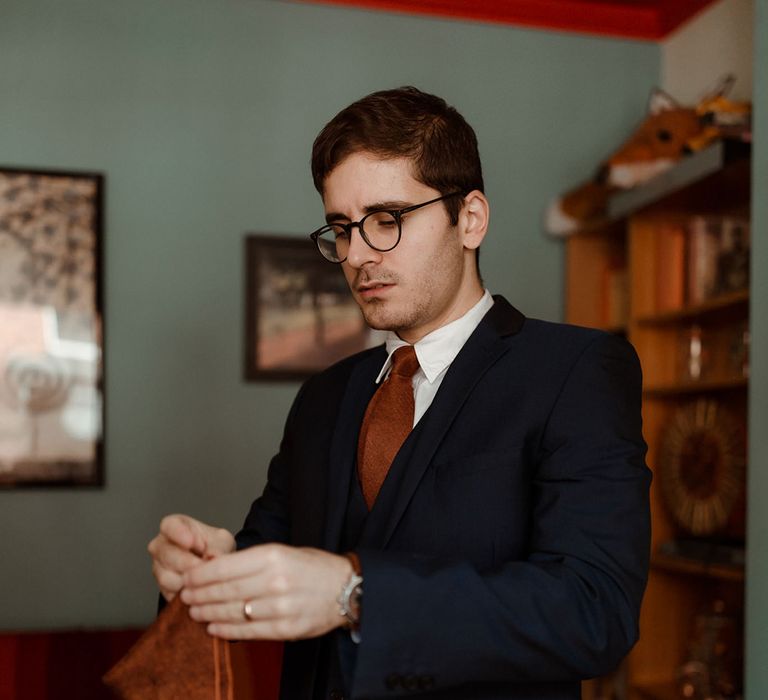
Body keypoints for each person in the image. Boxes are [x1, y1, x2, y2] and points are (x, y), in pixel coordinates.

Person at [148, 86, 651, 700]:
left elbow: (594, 611)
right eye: (342, 228)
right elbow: (274, 560)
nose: (358, 255)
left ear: (470, 219)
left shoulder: (574, 371)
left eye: (387, 221)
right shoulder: (323, 398)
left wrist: (355, 594)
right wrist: (212, 568)